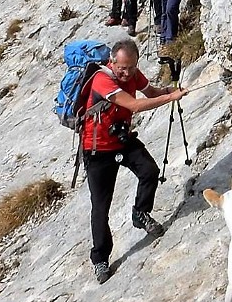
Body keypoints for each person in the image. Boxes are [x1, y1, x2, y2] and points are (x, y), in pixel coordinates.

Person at [79, 40, 187, 283]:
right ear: (112, 62)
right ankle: (100, 259)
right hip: (97, 150)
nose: (127, 73)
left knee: (150, 171)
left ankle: (140, 213)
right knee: (100, 207)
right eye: (122, 68)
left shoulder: (134, 74)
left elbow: (150, 93)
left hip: (122, 139)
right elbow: (135, 105)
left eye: (131, 68)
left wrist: (171, 90)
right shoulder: (102, 80)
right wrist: (170, 98)